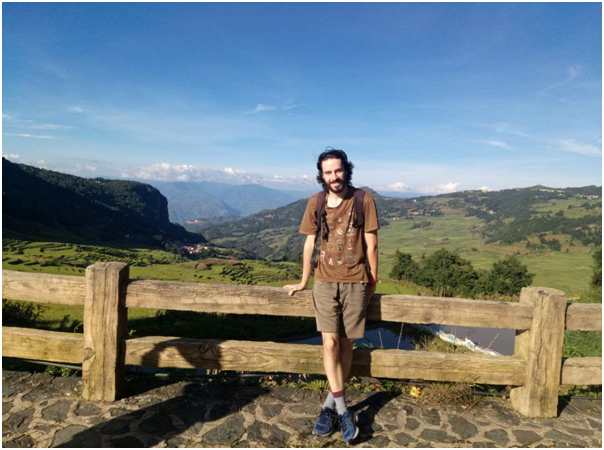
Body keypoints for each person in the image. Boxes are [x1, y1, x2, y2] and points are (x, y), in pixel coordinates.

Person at [283, 148, 379, 444]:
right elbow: (309, 243)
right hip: (324, 281)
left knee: (347, 344)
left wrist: (373, 280)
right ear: (321, 175)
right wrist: (304, 280)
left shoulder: (363, 199)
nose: (334, 176)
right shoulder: (316, 202)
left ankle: (329, 407)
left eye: (338, 170)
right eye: (328, 172)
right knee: (330, 343)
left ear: (346, 170)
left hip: (355, 281)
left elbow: (372, 242)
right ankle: (344, 411)